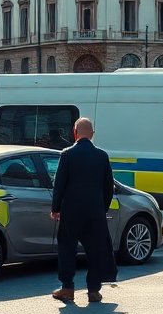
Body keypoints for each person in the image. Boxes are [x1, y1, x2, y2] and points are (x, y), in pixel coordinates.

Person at [50, 117, 117, 303]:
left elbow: (60, 185)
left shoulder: (67, 155)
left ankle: (67, 288)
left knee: (67, 248)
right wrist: (101, 208)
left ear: (74, 132)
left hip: (71, 211)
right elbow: (108, 187)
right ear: (92, 134)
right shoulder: (102, 156)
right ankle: (94, 291)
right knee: (95, 250)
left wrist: (55, 208)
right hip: (95, 212)